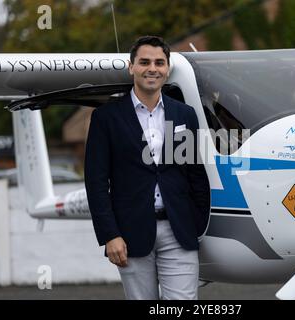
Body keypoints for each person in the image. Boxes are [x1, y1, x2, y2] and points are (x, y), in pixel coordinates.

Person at [84, 35, 210, 300]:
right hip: (129, 234)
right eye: (144, 62)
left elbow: (195, 172)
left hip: (179, 230)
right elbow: (96, 182)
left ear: (167, 69)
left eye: (159, 62)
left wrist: (196, 224)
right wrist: (110, 235)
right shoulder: (106, 118)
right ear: (132, 67)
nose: (152, 68)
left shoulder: (185, 114)